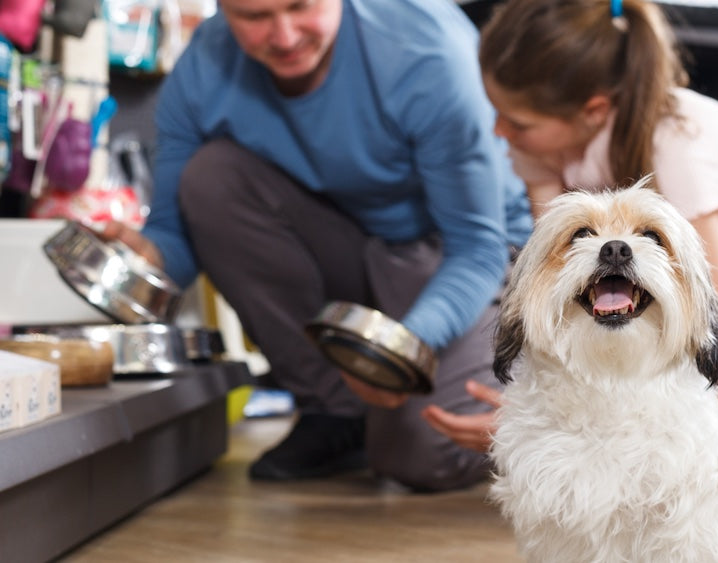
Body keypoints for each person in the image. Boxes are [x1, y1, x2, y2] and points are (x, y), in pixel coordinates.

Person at [103, 0, 533, 492]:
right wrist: (146, 257)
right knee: (209, 179)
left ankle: (506, 382)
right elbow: (173, 232)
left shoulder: (427, 50)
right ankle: (334, 409)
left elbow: (476, 247)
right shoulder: (203, 63)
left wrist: (394, 353)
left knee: (426, 455)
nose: (284, 36)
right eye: (254, 17)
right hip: (346, 237)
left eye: (299, 7)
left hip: (450, 254)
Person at [477, 0, 718, 503]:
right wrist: (529, 412)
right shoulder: (540, 146)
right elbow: (551, 288)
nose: (499, 134)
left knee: (681, 478)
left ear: (593, 110)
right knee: (595, 461)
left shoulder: (682, 144)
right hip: (673, 337)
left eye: (517, 122)